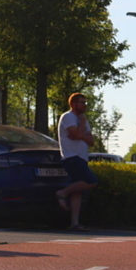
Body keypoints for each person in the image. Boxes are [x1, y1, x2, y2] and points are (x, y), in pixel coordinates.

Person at [55, 92, 97, 231]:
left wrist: (81, 135)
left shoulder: (83, 119)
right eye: (82, 102)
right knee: (91, 181)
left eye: (85, 102)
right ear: (73, 104)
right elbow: (76, 135)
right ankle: (62, 193)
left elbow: (91, 141)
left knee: (77, 191)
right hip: (72, 157)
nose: (85, 105)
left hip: (82, 157)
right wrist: (82, 127)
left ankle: (74, 223)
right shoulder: (68, 117)